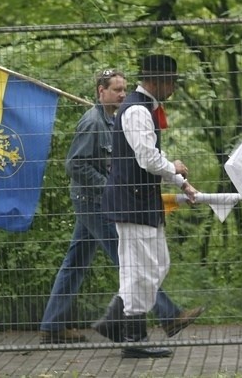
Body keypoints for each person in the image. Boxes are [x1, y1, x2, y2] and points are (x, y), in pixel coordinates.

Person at [38, 68, 203, 344]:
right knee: (131, 261)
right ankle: (168, 315)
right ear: (101, 92)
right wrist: (109, 187)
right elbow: (75, 165)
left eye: (124, 89)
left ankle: (52, 325)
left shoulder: (116, 120)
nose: (122, 93)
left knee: (75, 263)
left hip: (98, 202)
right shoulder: (92, 123)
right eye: (116, 89)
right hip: (94, 203)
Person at [101, 55, 199, 359]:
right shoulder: (136, 111)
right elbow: (148, 159)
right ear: (157, 81)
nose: (173, 89)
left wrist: (180, 182)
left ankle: (115, 323)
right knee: (141, 270)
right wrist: (176, 166)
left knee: (154, 265)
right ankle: (132, 336)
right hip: (132, 201)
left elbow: (151, 156)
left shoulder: (143, 109)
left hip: (141, 200)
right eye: (171, 83)